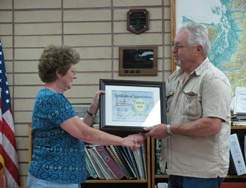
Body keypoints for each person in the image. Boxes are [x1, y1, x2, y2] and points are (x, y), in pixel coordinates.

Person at [27, 44, 143, 188]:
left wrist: (93, 107)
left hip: (58, 180)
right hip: (52, 180)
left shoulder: (53, 97)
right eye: (72, 71)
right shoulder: (52, 99)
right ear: (58, 72)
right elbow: (84, 134)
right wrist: (123, 141)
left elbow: (77, 132)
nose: (75, 76)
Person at [144, 22, 233, 188]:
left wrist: (169, 129)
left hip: (201, 172)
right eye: (173, 45)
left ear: (198, 49)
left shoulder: (213, 80)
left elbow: (212, 125)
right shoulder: (174, 79)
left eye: (179, 46)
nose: (173, 50)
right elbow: (161, 114)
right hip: (176, 168)